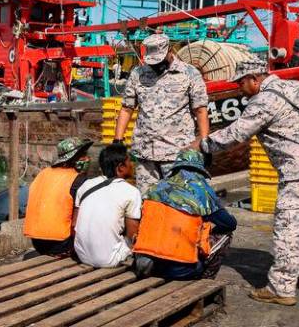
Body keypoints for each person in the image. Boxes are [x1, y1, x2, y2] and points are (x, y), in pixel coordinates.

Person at [197, 57, 299, 306]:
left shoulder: (264, 100)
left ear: (254, 79)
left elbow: (236, 134)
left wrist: (203, 144)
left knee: (290, 230)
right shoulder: (298, 87)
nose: (238, 88)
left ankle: (281, 289)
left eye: (241, 83)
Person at [114, 31, 210, 193]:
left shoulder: (189, 74)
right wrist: (117, 140)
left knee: (178, 202)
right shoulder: (138, 74)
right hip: (145, 154)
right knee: (146, 203)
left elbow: (200, 110)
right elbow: (127, 108)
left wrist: (205, 142)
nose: (155, 65)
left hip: (177, 154)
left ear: (169, 52)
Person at [133, 149, 236, 280]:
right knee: (226, 234)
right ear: (200, 170)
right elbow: (230, 224)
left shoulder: (155, 188)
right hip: (181, 270)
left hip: (146, 266)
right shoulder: (202, 191)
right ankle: (206, 281)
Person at [73, 143, 142, 267]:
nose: (133, 165)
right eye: (130, 162)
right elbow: (132, 235)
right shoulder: (132, 192)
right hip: (109, 259)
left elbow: (74, 224)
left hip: (82, 255)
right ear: (120, 167)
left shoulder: (86, 185)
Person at [23, 137, 92, 257]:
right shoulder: (78, 180)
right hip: (61, 243)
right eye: (83, 155)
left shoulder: (43, 173)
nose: (87, 159)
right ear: (73, 158)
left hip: (36, 241)